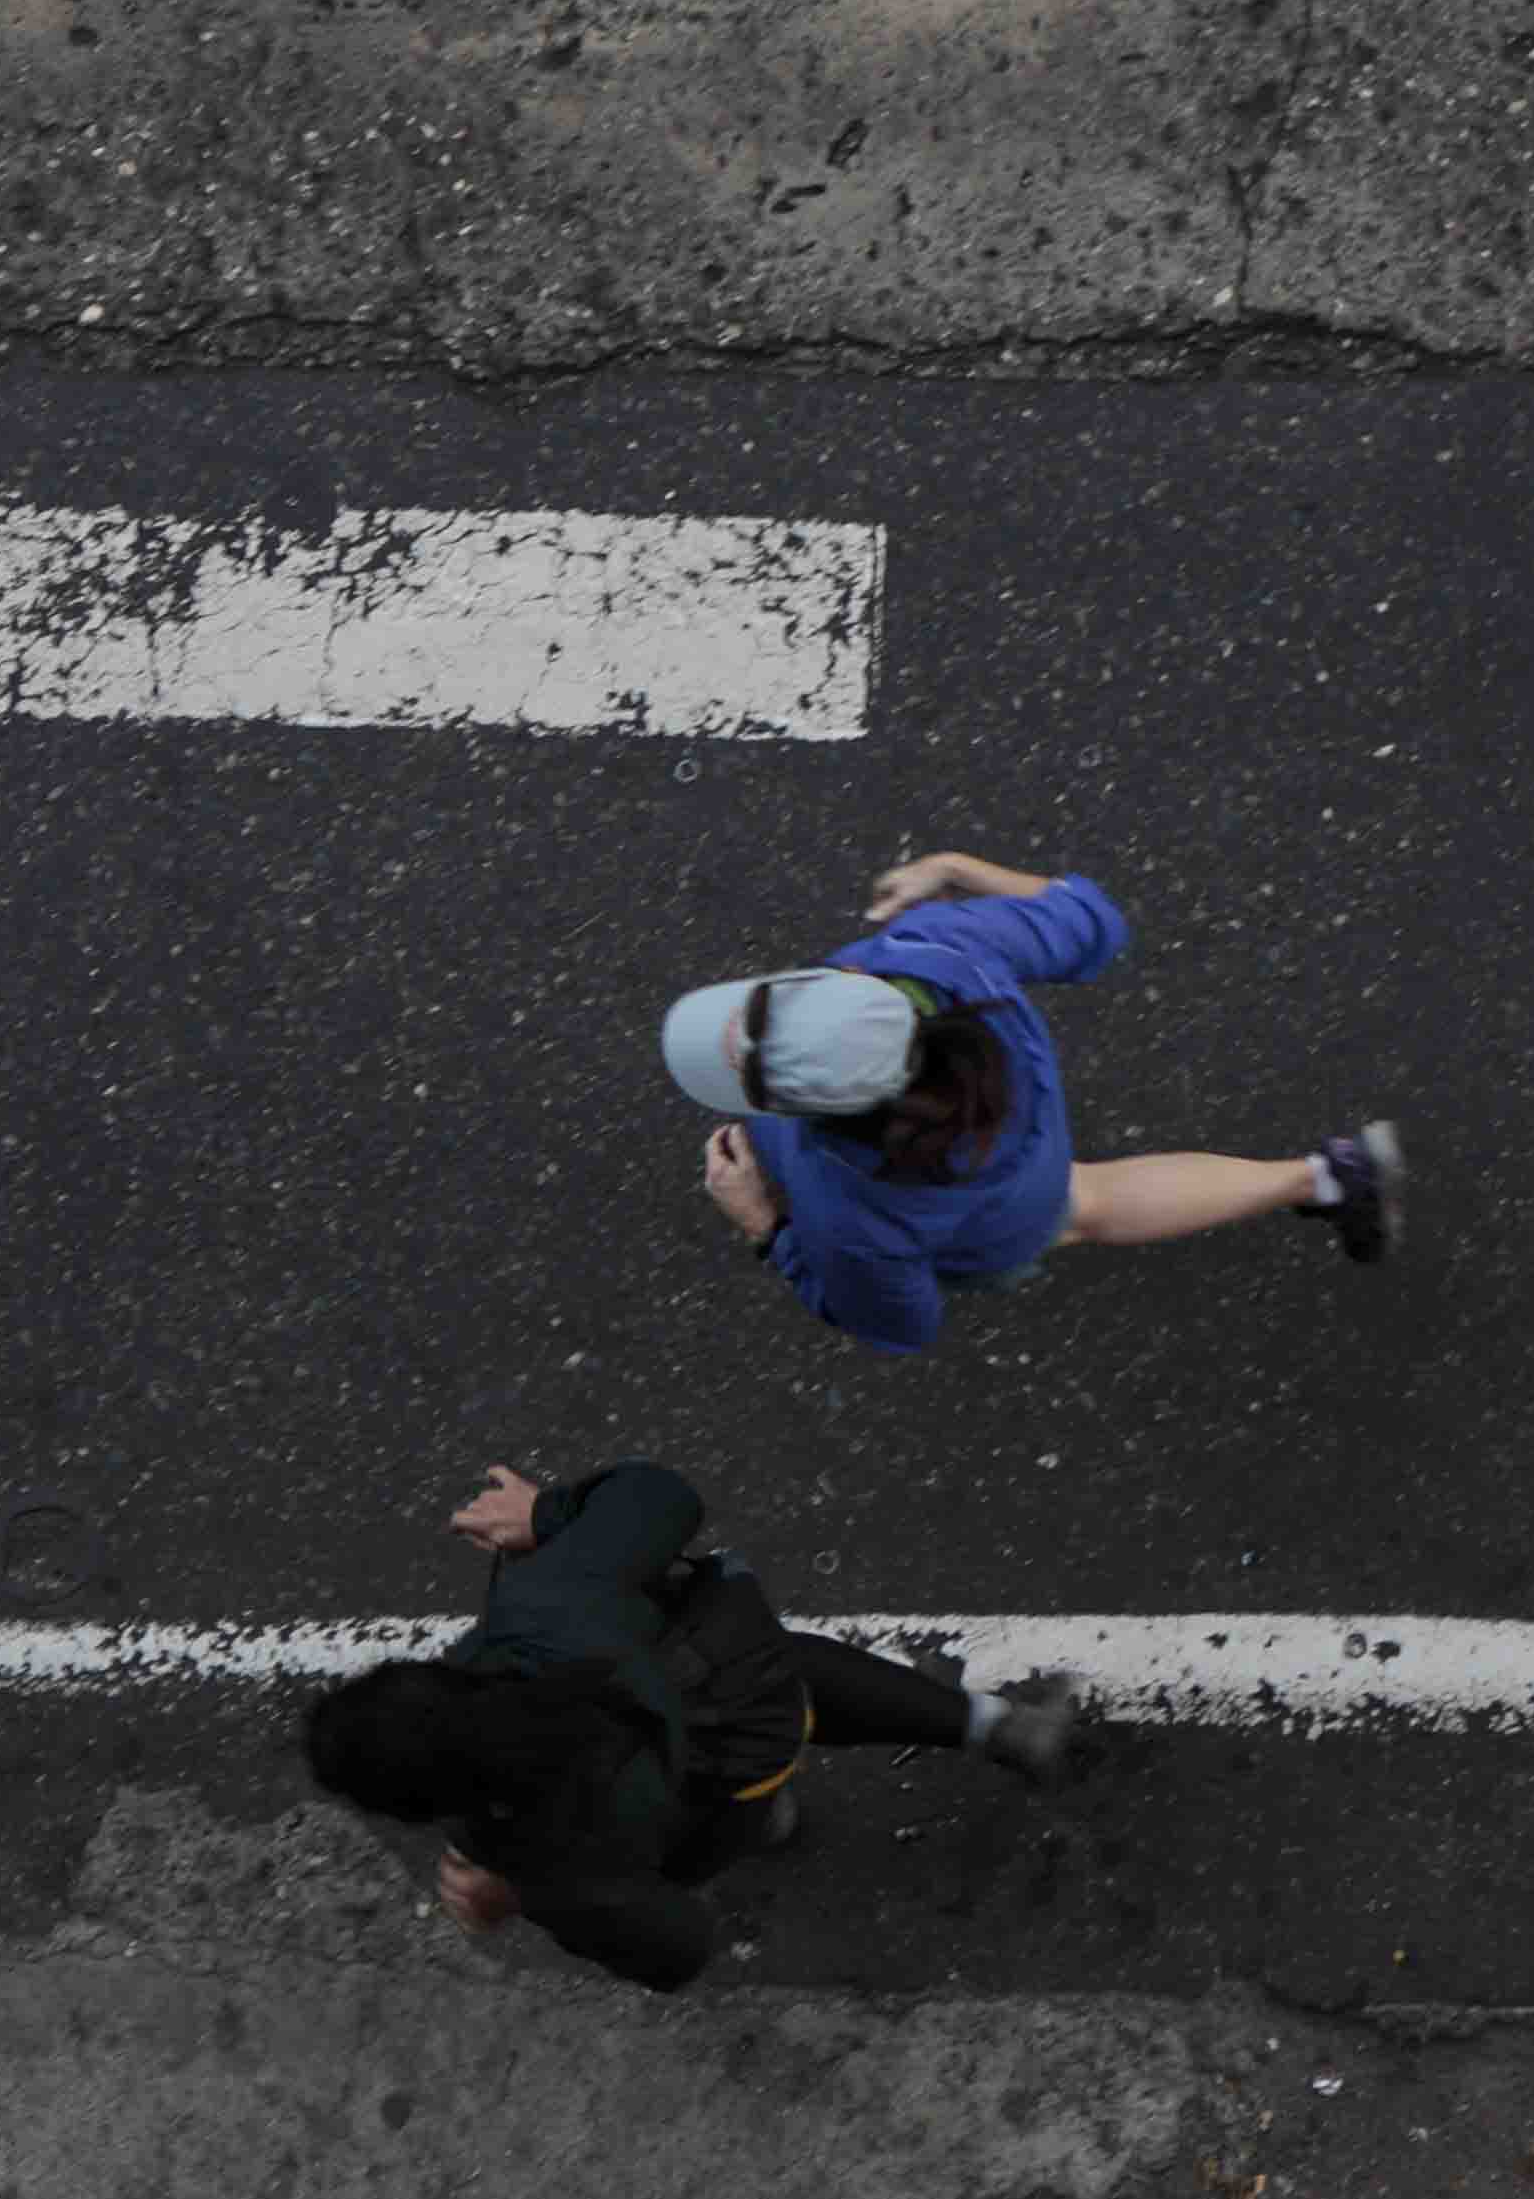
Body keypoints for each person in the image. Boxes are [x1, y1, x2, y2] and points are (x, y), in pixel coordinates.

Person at [299, 1453, 1077, 1987]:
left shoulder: (536, 1859)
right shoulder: (541, 1606)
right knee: (792, 1671)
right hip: (751, 1688)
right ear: (432, 1675)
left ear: (417, 1805)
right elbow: (663, 1497)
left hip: (700, 1808)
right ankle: (1003, 1728)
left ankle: (773, 1819)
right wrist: (547, 1512)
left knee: (744, 1815)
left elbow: (677, 1948)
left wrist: (517, 1896)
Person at [659, 851, 1399, 1355]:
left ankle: (1322, 1179)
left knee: (1083, 1206)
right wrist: (953, 868)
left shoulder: (851, 1210)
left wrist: (766, 1225)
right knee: (1081, 1196)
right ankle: (1324, 1175)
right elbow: (1090, 921)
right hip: (1016, 1121)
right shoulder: (930, 953)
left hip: (1004, 1204)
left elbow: (898, 1321)